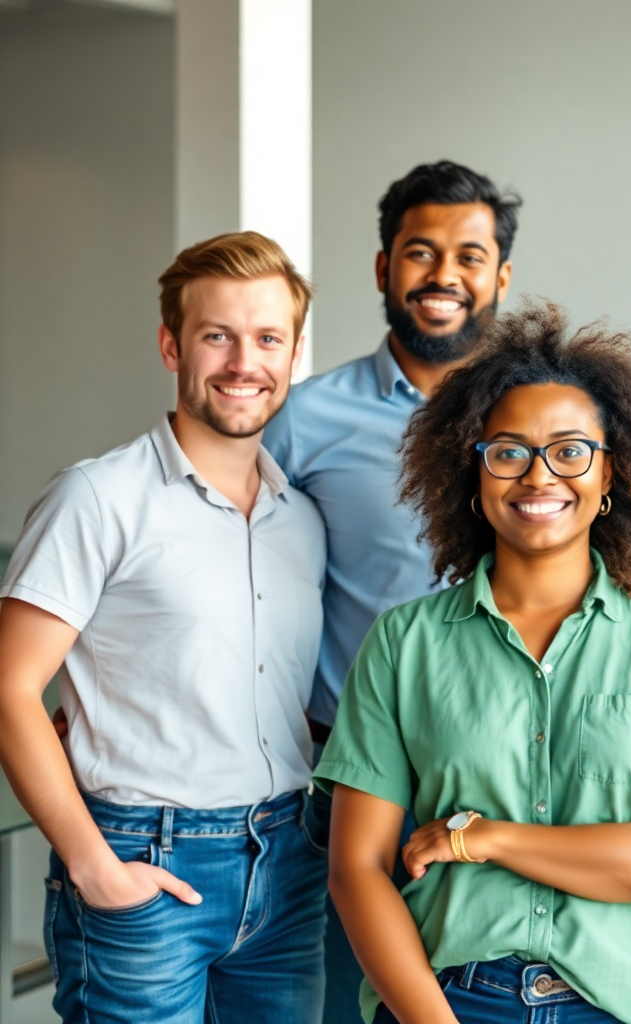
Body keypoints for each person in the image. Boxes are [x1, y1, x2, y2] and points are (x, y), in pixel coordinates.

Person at [315, 302, 631, 1024]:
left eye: (569, 450)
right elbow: (356, 868)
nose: (538, 476)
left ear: (612, 472)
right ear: (472, 471)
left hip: (614, 1005)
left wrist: (482, 839)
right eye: (508, 451)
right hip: (451, 999)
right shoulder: (405, 644)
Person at [0, 232, 328, 1024]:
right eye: (217, 336)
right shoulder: (98, 498)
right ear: (170, 344)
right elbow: (10, 688)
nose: (243, 362)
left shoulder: (303, 518)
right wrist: (93, 865)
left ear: (292, 355)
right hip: (144, 859)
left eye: (267, 339)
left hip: (291, 864)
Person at [261, 159, 521, 1023]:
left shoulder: (544, 418)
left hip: (517, 775)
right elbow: (238, 572)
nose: (444, 274)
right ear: (383, 269)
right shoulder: (306, 418)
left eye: (469, 255)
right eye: (420, 251)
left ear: (501, 277)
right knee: (343, 1003)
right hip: (356, 777)